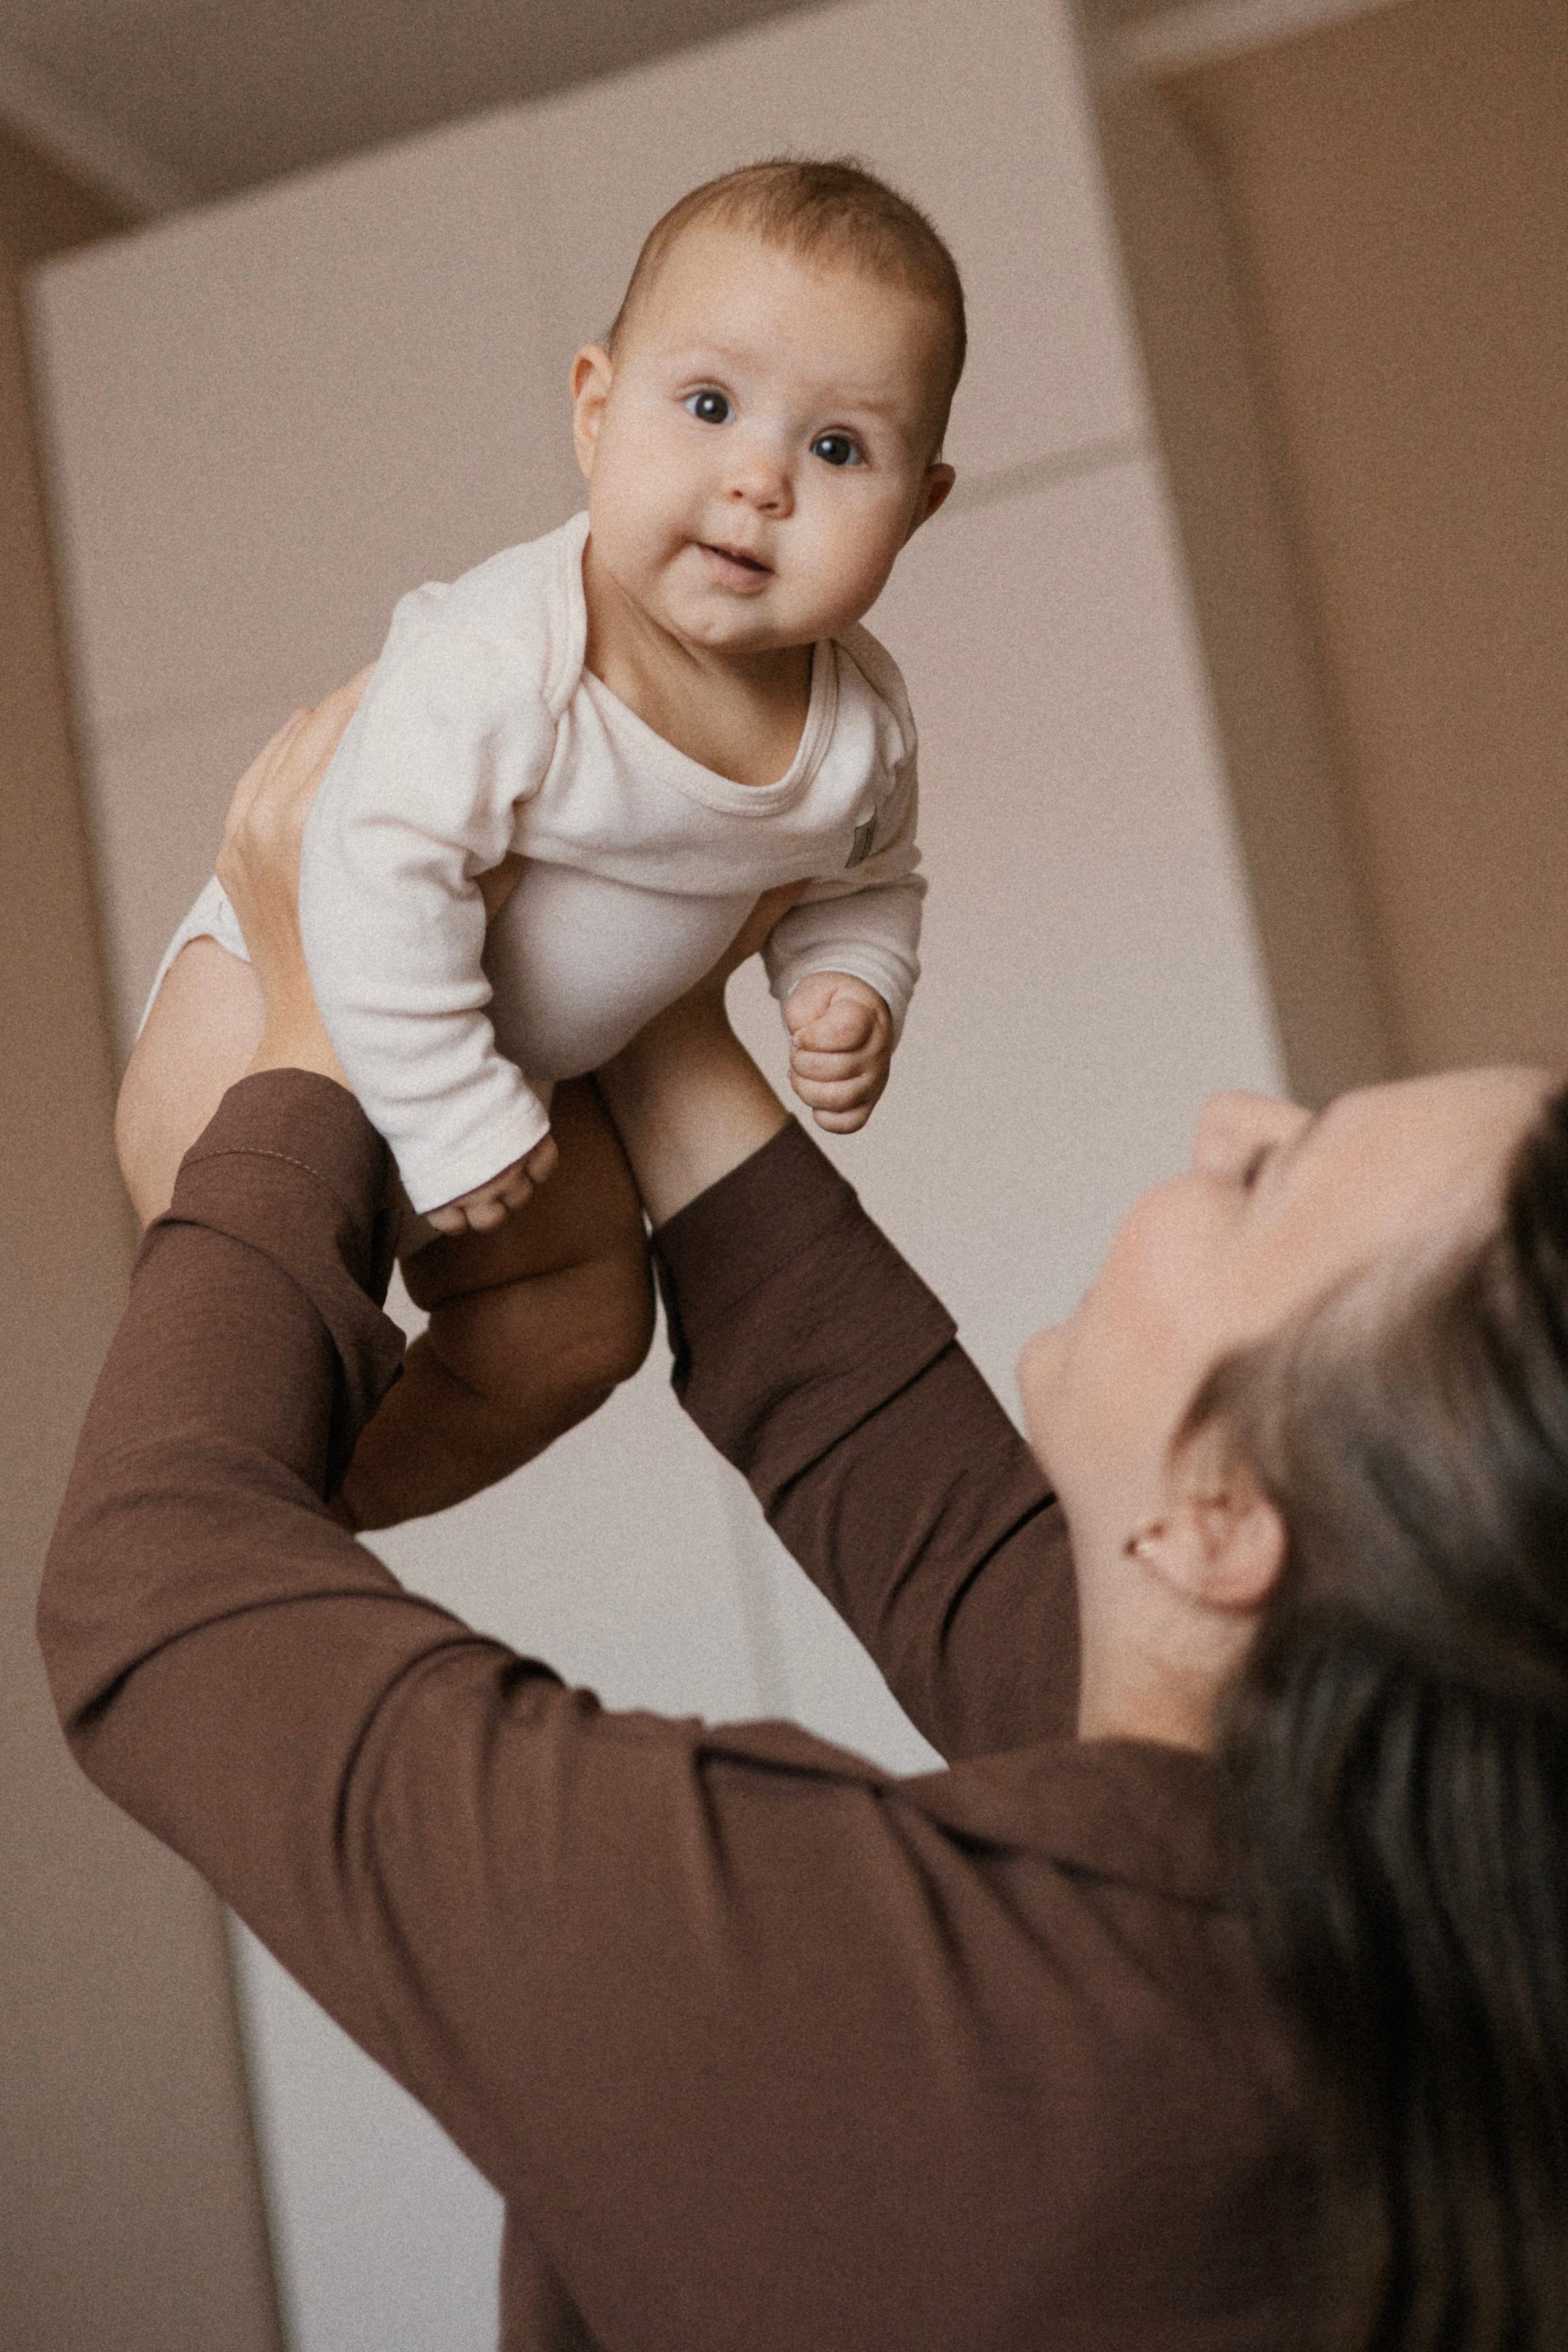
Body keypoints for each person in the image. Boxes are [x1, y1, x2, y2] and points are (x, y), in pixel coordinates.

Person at [43, 688, 1568, 2352]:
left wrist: (319, 1004)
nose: (1231, 1122)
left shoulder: (884, 2003)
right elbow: (913, 1485)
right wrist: (642, 966)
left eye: (1276, 1177)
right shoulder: (1371, 1918)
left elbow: (156, 1589)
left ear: (1216, 1518)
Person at [116, 156, 960, 1531]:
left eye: (836, 449)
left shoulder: (859, 727)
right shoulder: (513, 652)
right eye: (706, 406)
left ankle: (318, 1512)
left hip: (530, 1081)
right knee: (251, 1312)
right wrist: (445, 1109)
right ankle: (235, 1465)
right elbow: (374, 863)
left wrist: (847, 982)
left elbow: (869, 879)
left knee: (579, 1332)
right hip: (282, 1002)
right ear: (594, 409)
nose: (758, 481)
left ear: (917, 506)